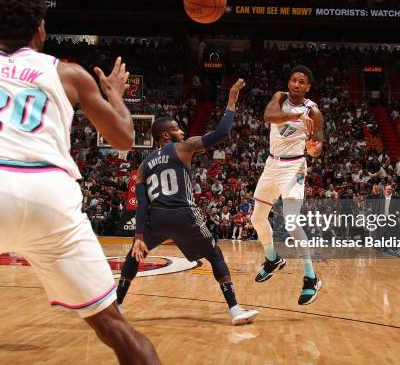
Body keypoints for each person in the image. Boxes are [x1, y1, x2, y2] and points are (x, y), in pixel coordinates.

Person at [0, 0, 159, 364]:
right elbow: (124, 139)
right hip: (52, 198)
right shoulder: (69, 73)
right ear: (41, 29)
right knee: (114, 327)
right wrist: (115, 94)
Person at [116, 79, 259, 325]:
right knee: (214, 254)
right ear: (164, 135)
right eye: (176, 127)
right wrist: (232, 100)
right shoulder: (183, 147)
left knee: (134, 255)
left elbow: (142, 204)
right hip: (183, 213)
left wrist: (139, 236)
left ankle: (116, 306)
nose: (181, 130)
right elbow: (222, 133)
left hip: (156, 218)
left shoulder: (143, 165)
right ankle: (235, 309)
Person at [250, 65, 324, 305]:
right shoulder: (279, 97)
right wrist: (294, 116)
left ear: (308, 87)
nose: (296, 84)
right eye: (293, 80)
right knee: (257, 218)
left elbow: (317, 145)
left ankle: (311, 278)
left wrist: (314, 149)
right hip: (272, 164)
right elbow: (269, 117)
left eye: (301, 82)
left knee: (291, 220)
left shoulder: (314, 112)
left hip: (294, 166)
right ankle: (272, 259)